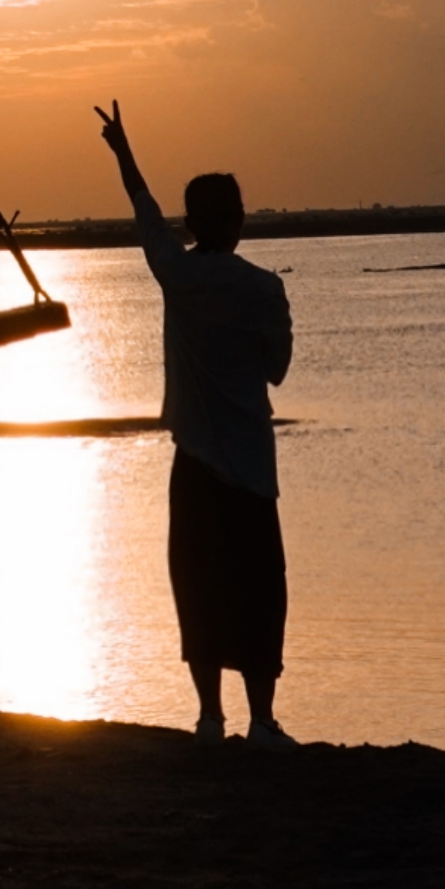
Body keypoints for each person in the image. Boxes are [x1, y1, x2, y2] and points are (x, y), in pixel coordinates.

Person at [97, 100, 295, 746]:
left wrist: (123, 150)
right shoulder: (263, 288)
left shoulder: (176, 273)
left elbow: (144, 212)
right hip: (250, 468)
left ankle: (209, 719)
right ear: (236, 222)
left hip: (196, 465)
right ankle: (261, 720)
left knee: (199, 584)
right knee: (259, 590)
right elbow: (277, 372)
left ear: (192, 223)